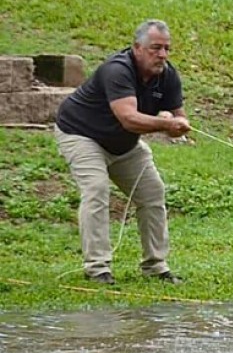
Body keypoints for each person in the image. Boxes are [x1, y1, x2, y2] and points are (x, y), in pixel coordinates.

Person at [54, 19, 191, 285]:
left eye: (166, 48)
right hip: (81, 134)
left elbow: (179, 119)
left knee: (153, 192)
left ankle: (156, 266)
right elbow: (128, 118)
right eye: (155, 48)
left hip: (124, 144)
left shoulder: (168, 75)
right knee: (96, 189)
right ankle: (97, 269)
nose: (162, 55)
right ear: (137, 47)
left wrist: (178, 125)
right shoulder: (117, 70)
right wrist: (165, 123)